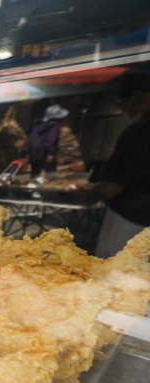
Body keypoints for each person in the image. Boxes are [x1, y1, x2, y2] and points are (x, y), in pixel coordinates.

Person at [95, 74, 150, 257]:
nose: (125, 110)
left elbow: (111, 188)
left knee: (119, 269)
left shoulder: (139, 131)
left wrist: (89, 192)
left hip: (133, 220)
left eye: (123, 103)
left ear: (139, 99)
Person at [21, 104, 68, 177]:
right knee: (51, 175)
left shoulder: (38, 126)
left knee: (35, 174)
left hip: (34, 155)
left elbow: (29, 139)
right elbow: (51, 140)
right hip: (45, 154)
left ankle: (34, 183)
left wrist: (24, 154)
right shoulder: (55, 126)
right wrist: (50, 153)